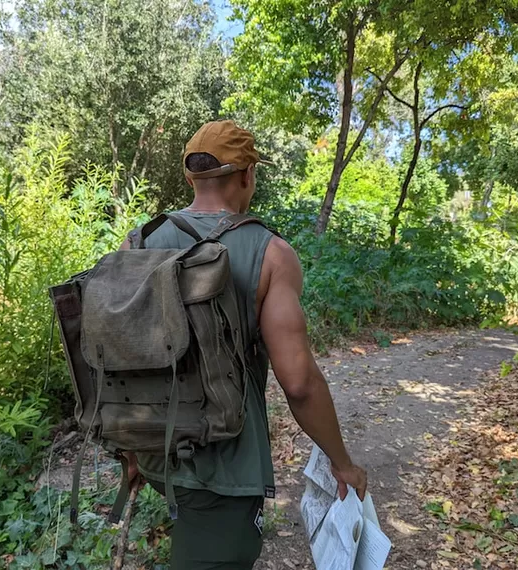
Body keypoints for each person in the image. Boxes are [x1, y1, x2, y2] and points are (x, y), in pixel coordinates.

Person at [124, 120, 367, 570]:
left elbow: (126, 358)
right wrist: (342, 463)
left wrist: (131, 449)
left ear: (191, 177)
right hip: (226, 465)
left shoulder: (139, 242)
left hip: (155, 448)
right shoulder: (271, 253)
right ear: (248, 175)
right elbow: (298, 382)